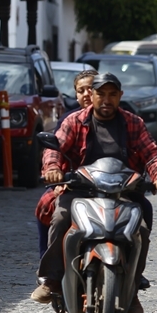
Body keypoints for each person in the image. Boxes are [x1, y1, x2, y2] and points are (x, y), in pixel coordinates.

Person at [31, 72, 157, 313]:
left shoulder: (133, 123)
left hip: (124, 191)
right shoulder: (74, 121)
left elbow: (151, 154)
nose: (106, 99)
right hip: (80, 191)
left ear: (120, 96)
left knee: (141, 228)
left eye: (112, 94)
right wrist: (53, 170)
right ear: (92, 96)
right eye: (101, 94)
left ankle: (133, 284)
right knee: (60, 218)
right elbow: (55, 149)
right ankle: (52, 279)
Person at [35, 69, 98, 257]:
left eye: (91, 88)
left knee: (142, 211)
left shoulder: (125, 120)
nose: (87, 94)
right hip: (74, 185)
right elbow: (54, 149)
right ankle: (47, 266)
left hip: (112, 186)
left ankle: (134, 267)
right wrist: (54, 171)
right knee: (47, 206)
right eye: (81, 90)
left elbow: (144, 152)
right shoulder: (70, 120)